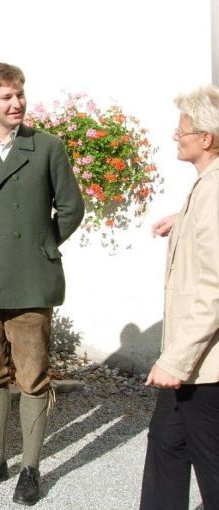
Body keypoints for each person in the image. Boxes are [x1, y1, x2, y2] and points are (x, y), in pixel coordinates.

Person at [0, 62, 84, 506]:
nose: (17, 103)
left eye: (20, 94)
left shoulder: (47, 147)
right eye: (6, 96)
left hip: (31, 279)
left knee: (32, 376)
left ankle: (30, 466)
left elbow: (71, 208)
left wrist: (40, 245)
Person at [140, 85, 219, 510]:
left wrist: (176, 360)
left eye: (182, 129)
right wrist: (182, 220)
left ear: (205, 138)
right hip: (191, 362)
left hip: (204, 365)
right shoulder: (205, 187)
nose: (176, 135)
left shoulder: (215, 191)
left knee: (211, 462)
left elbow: (215, 290)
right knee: (166, 443)